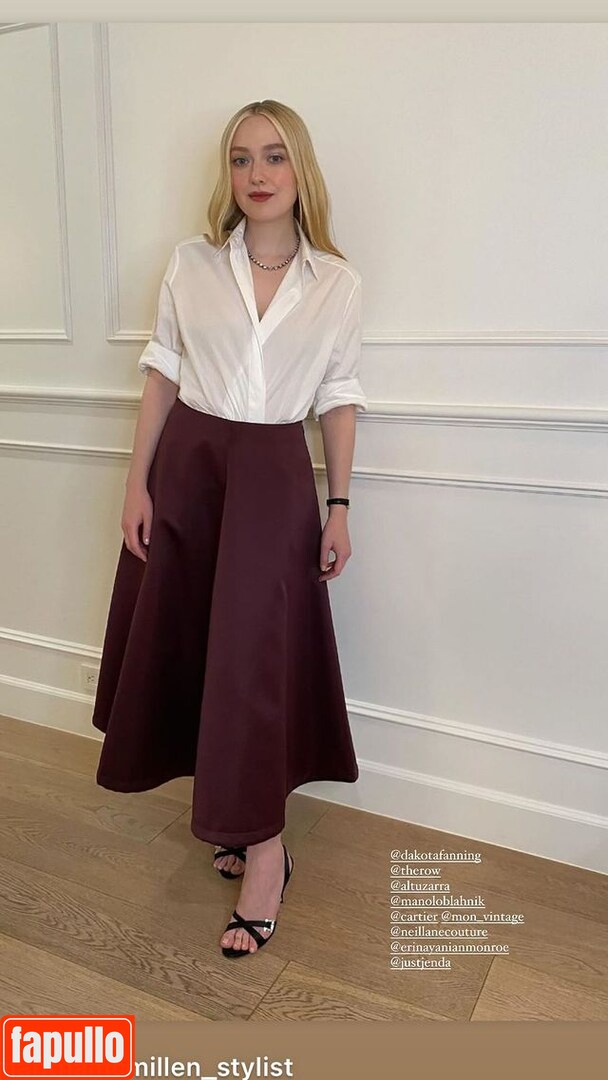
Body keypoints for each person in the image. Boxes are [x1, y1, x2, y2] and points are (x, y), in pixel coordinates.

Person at [91, 99, 367, 959]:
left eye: (274, 156)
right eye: (241, 158)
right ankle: (237, 820)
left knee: (255, 662)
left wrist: (340, 505)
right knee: (198, 652)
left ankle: (267, 851)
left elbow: (337, 397)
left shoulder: (337, 283)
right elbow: (163, 375)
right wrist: (136, 482)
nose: (257, 174)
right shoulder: (192, 263)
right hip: (190, 471)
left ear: (300, 169)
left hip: (274, 479)